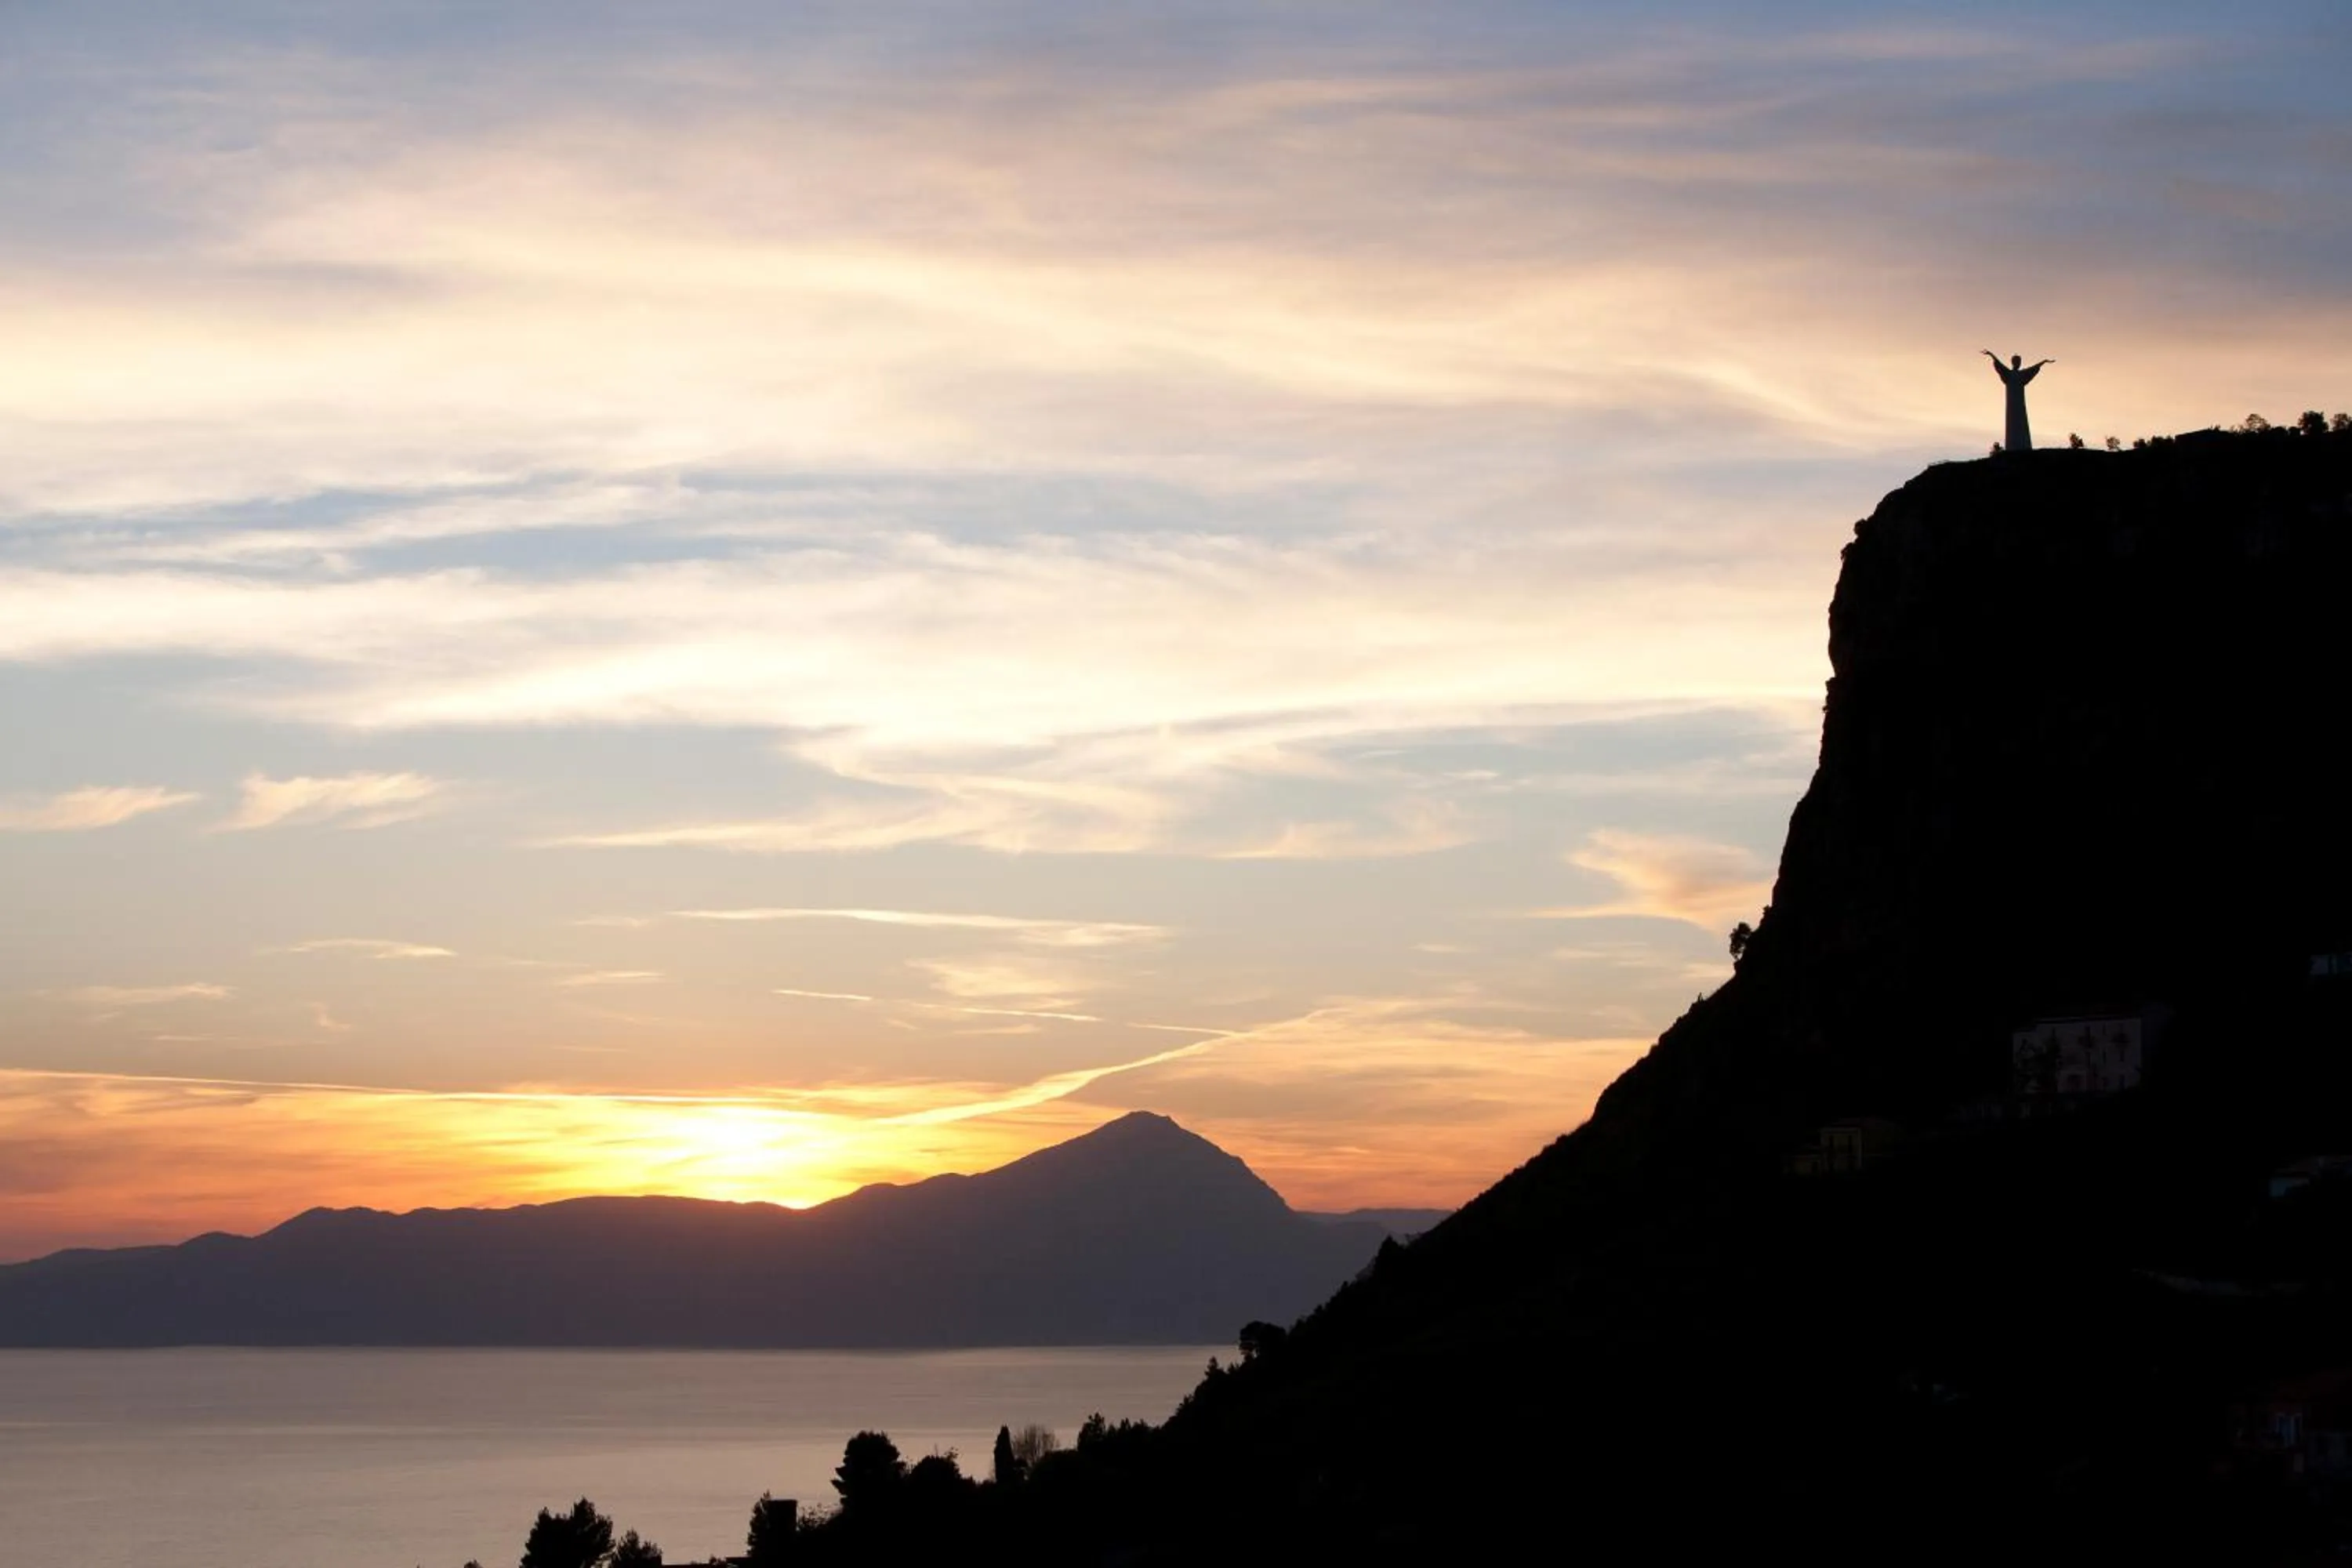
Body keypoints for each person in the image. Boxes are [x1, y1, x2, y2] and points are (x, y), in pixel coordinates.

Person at [1984, 351, 2053, 452]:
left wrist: (2043, 362)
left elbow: (2032, 369)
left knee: (2021, 422)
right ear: (2013, 362)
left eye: (2019, 362)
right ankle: (2013, 447)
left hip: (2020, 404)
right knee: (2012, 423)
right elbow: (2000, 365)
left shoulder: (2021, 375)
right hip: (2011, 404)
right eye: (2017, 361)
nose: (2018, 363)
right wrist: (1991, 355)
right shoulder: (2009, 374)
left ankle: (2023, 446)